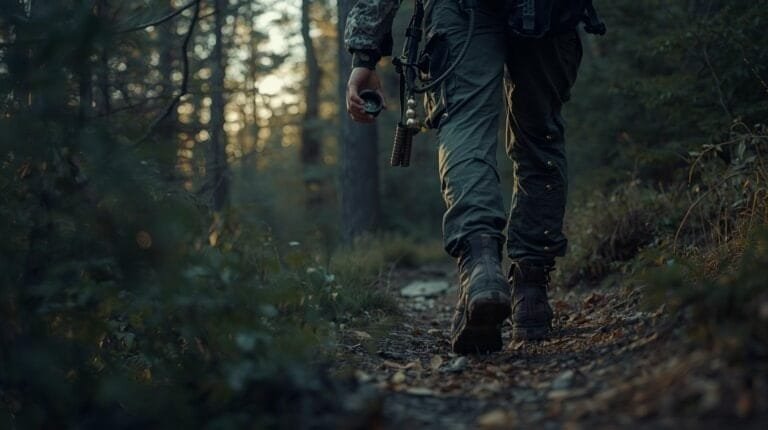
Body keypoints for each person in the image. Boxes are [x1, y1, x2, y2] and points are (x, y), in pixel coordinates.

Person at [344, 0, 603, 354]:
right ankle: (530, 296)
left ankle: (481, 269)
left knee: (465, 126)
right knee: (540, 140)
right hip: (551, 14)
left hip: (461, 11)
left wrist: (364, 56)